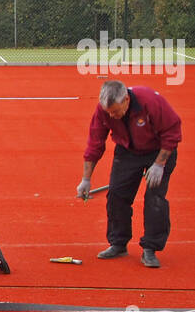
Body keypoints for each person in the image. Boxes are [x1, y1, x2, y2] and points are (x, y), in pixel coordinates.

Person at [77, 79, 182, 268]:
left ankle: (150, 248)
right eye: (109, 112)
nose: (112, 116)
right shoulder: (103, 111)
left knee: (154, 198)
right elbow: (95, 143)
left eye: (116, 111)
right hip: (127, 151)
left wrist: (159, 164)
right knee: (116, 195)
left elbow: (172, 131)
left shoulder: (150, 101)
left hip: (159, 150)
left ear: (126, 100)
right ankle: (118, 243)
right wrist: (86, 179)